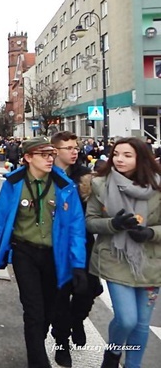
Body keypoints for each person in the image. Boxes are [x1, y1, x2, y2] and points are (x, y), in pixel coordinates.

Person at [0, 136, 87, 368]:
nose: (50, 159)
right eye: (44, 155)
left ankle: (37, 344)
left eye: (51, 154)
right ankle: (38, 362)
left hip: (54, 256)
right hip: (24, 253)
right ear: (28, 157)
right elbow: (0, 221)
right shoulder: (13, 184)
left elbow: (76, 228)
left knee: (48, 311)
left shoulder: (64, 187)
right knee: (33, 310)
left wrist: (78, 264)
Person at [86, 137, 161, 368]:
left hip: (150, 263)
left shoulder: (158, 187)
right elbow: (90, 222)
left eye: (127, 155)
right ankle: (113, 354)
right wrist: (113, 225)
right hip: (115, 258)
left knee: (141, 324)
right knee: (127, 319)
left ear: (141, 158)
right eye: (116, 153)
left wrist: (150, 233)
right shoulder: (100, 184)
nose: (119, 159)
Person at [48, 131, 102, 365]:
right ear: (55, 151)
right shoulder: (47, 176)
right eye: (68, 147)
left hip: (84, 244)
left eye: (75, 147)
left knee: (88, 291)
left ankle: (77, 319)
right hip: (56, 246)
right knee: (60, 297)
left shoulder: (86, 179)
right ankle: (62, 343)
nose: (74, 151)